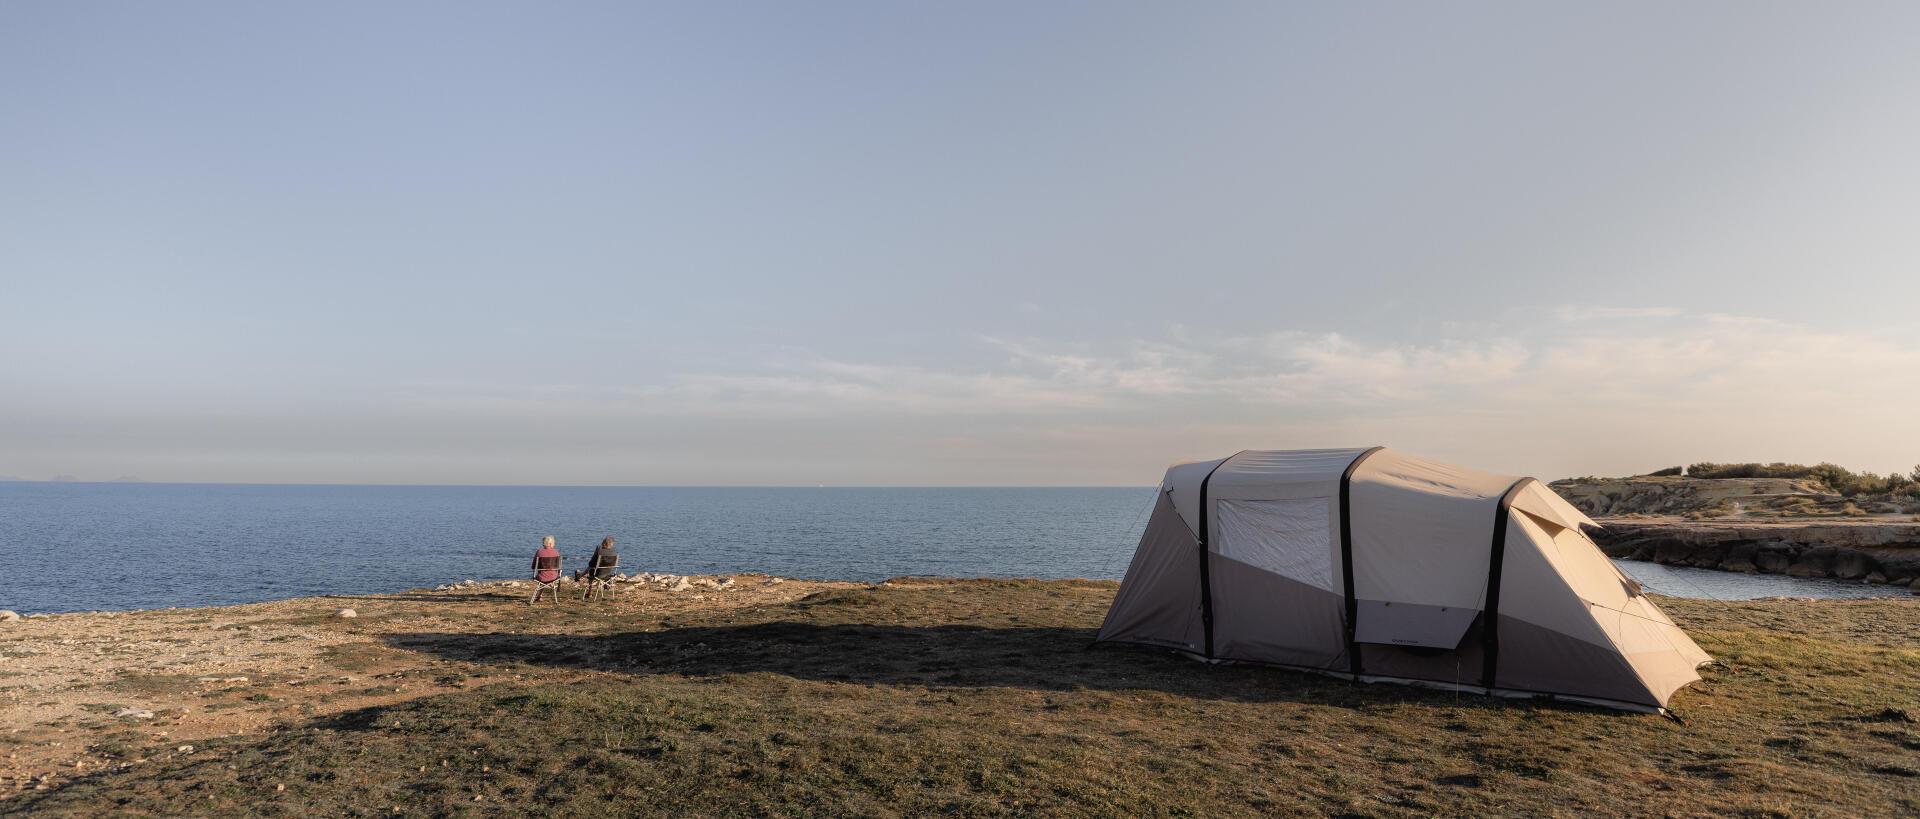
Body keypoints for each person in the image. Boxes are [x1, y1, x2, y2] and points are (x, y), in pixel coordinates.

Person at [529, 536, 562, 604]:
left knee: (543, 577)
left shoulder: (539, 552)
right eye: (553, 543)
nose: (554, 544)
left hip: (542, 577)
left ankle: (540, 596)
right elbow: (559, 567)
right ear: (550, 544)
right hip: (553, 577)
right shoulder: (555, 552)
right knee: (547, 576)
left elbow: (533, 566)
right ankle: (547, 588)